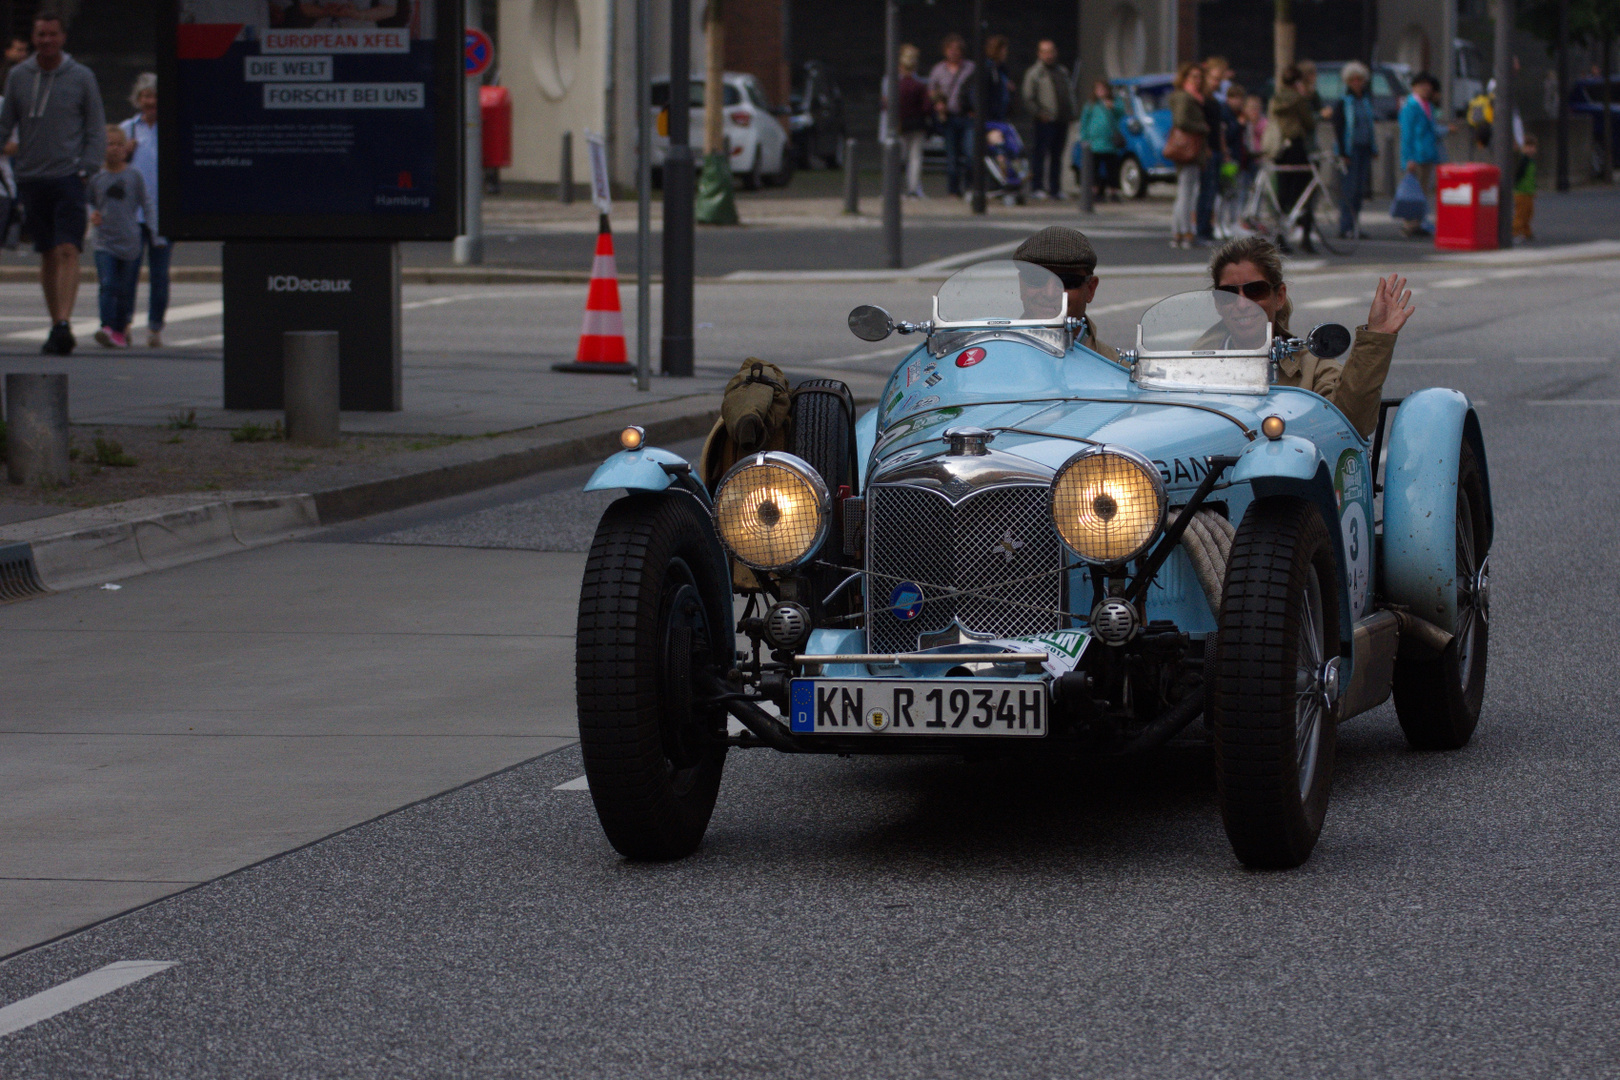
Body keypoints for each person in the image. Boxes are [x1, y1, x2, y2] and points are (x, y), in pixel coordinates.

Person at [1209, 236, 1413, 437]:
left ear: (1279, 297)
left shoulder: (1311, 366)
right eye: (1228, 294)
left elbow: (1351, 423)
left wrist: (1376, 338)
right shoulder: (1192, 367)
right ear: (1217, 303)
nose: (1242, 304)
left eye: (1255, 290)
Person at [0, 12, 106, 356]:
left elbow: (95, 127)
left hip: (68, 176)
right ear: (34, 38)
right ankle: (55, 321)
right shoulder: (18, 76)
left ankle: (63, 321)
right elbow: (5, 125)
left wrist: (87, 168)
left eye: (52, 34)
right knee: (46, 251)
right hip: (32, 176)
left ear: (62, 37)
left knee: (68, 248)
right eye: (40, 35)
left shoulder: (81, 77)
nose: (46, 40)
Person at [88, 126, 158, 348]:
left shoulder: (133, 175)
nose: (115, 149)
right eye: (110, 144)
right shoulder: (96, 176)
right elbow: (88, 201)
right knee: (107, 284)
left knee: (126, 289)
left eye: (119, 144)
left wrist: (155, 231)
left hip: (130, 239)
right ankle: (106, 326)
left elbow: (146, 203)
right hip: (104, 240)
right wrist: (92, 214)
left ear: (126, 148)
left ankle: (121, 328)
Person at [1012, 225, 1120, 363]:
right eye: (1036, 278)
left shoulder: (1117, 369)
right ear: (1022, 285)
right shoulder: (993, 359)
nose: (1050, 293)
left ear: (1090, 289)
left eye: (1067, 281)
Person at [118, 72, 168, 347]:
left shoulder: (171, 128)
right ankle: (124, 324)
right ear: (138, 99)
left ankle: (155, 327)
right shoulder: (129, 129)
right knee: (129, 273)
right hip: (132, 214)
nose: (151, 101)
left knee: (160, 276)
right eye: (146, 96)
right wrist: (124, 151)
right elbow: (111, 163)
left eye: (155, 96)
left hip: (161, 213)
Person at [1268, 65, 1318, 252]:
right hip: (1297, 147)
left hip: (1281, 148)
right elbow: (1309, 122)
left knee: (1283, 192)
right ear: (1297, 82)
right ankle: (1305, 236)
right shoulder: (1299, 99)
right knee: (1304, 192)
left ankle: (1280, 235)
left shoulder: (1276, 98)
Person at [1021, 40, 1074, 200]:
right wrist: (1039, 113)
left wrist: (1071, 111)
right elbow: (1028, 97)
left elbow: (1068, 93)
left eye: (1051, 51)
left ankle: (1055, 188)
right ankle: (1037, 186)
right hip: (1044, 120)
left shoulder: (1062, 71)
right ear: (1039, 54)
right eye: (1045, 52)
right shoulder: (1035, 73)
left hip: (1061, 119)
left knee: (1057, 155)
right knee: (1040, 153)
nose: (1049, 55)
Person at [1331, 61, 1377, 240]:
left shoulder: (1365, 100)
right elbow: (1339, 128)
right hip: (1350, 151)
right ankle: (1345, 225)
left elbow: (1370, 125)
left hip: (1364, 148)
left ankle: (1355, 225)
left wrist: (1374, 147)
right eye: (1353, 80)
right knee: (1349, 189)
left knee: (1359, 190)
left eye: (1359, 79)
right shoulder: (1343, 102)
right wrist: (1343, 152)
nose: (1357, 83)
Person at [1398, 71, 1447, 237]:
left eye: (1428, 86)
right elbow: (1407, 134)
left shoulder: (1428, 106)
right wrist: (1408, 158)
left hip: (1427, 153)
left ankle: (1418, 223)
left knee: (1422, 191)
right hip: (1416, 154)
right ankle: (1409, 224)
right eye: (1422, 86)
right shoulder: (1410, 106)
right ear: (1414, 87)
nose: (1426, 89)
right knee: (1413, 192)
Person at [928, 34, 975, 197]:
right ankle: (953, 190)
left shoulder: (971, 68)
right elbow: (931, 90)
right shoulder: (938, 69)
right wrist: (937, 103)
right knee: (952, 156)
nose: (954, 52)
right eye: (951, 49)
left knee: (970, 153)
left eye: (957, 49)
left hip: (968, 117)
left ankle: (970, 187)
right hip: (948, 117)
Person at [1168, 62, 1208, 249]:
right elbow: (1182, 121)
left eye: (1199, 77)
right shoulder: (1186, 98)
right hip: (1187, 148)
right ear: (1184, 78)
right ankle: (1185, 232)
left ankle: (1178, 232)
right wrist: (1202, 127)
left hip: (1188, 148)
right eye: (1193, 76)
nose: (1197, 80)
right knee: (1186, 193)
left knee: (1184, 192)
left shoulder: (1190, 97)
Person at [1196, 58, 1229, 243]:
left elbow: (1218, 128)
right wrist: (1207, 148)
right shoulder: (1204, 100)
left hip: (1216, 148)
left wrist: (1223, 150)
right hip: (1208, 150)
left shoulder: (1215, 99)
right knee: (1206, 191)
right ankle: (1202, 228)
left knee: (1213, 190)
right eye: (1214, 78)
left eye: (1220, 79)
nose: (1217, 83)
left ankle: (1207, 227)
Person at [1078, 79, 1125, 201]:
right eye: (1098, 89)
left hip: (1110, 142)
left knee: (1112, 169)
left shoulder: (1114, 102)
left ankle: (1113, 191)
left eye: (1103, 89)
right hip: (1094, 143)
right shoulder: (1091, 105)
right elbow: (1084, 122)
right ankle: (1096, 191)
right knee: (1094, 169)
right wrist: (1084, 137)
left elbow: (1121, 112)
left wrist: (1112, 107)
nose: (1101, 92)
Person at [1513, 133, 1539, 242]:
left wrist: (1533, 190)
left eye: (1532, 147)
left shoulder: (1530, 161)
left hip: (1528, 191)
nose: (1530, 149)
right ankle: (1515, 232)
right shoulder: (1523, 161)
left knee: (1528, 213)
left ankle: (1526, 231)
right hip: (1521, 191)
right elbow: (1518, 175)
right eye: (1528, 147)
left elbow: (1532, 178)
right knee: (1521, 214)